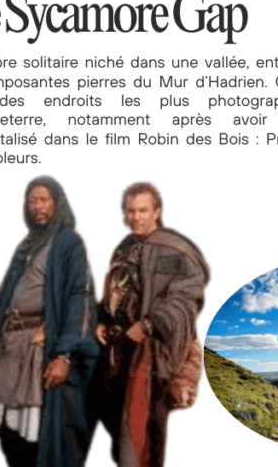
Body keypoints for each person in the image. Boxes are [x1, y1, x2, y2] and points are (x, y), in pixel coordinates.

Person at [0, 176, 98, 467]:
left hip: (39, 348)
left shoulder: (68, 243)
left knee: (36, 434)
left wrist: (64, 354)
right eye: (32, 200)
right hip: (10, 347)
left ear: (57, 203)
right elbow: (5, 296)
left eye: (43, 200)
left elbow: (80, 297)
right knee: (4, 426)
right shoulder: (27, 245)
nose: (37, 206)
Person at [92, 182, 209, 467]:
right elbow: (114, 292)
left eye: (143, 210)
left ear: (156, 211)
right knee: (119, 428)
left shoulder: (174, 250)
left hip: (153, 352)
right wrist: (101, 319)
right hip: (118, 351)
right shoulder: (124, 248)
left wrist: (148, 324)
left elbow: (186, 297)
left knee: (145, 430)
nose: (136, 217)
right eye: (130, 211)